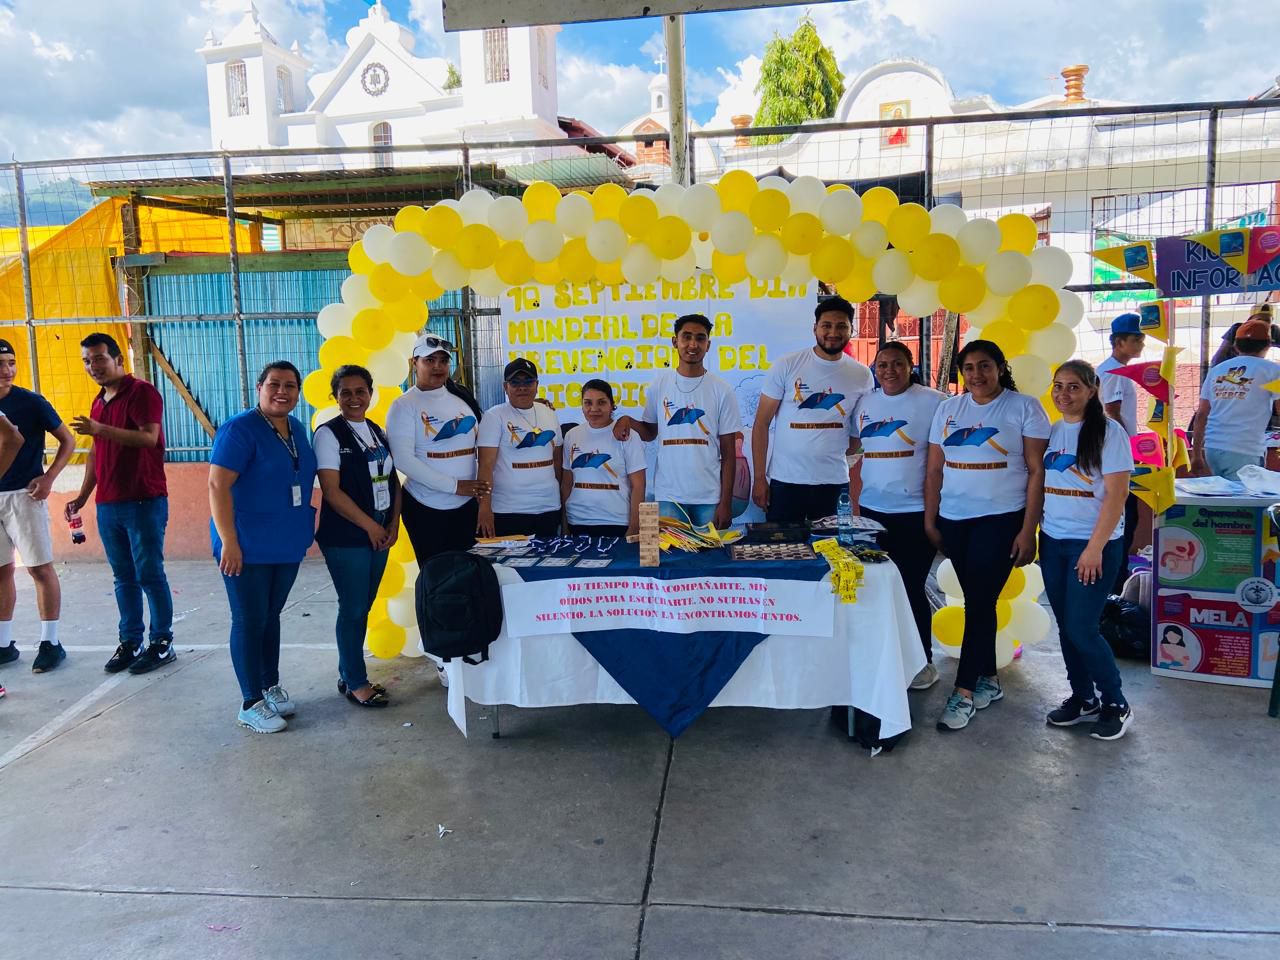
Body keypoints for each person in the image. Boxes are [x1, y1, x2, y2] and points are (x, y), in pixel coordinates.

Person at [925, 339, 1050, 732]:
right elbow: (934, 470)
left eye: (985, 366)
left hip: (1000, 520)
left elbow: (1037, 471)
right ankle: (990, 680)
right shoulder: (949, 409)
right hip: (954, 519)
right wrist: (931, 520)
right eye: (969, 367)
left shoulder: (1024, 407)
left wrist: (1028, 529)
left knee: (978, 603)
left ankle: (963, 692)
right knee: (980, 603)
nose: (977, 374)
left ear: (1000, 368)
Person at [208, 361, 318, 734]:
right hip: (246, 544)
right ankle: (250, 702)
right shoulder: (239, 429)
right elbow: (217, 485)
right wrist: (229, 541)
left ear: (298, 392)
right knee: (248, 619)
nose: (281, 391)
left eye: (290, 385)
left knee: (271, 616)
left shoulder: (296, 429)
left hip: (285, 541)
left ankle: (269, 686)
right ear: (259, 388)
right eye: (274, 384)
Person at [64, 332, 176, 675]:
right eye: (86, 361)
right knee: (123, 576)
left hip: (143, 499)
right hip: (108, 504)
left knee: (149, 573)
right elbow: (95, 452)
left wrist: (101, 429)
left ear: (118, 360)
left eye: (99, 358)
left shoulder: (142, 392)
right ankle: (130, 641)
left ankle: (162, 642)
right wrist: (83, 495)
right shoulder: (99, 401)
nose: (92, 366)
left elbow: (149, 437)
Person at [1040, 360, 1135, 741]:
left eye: (1074, 387)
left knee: (1083, 628)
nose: (1064, 394)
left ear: (1092, 390)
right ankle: (1083, 697)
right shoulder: (1054, 430)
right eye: (1058, 386)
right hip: (1053, 541)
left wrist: (1094, 548)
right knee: (1067, 627)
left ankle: (1115, 702)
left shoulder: (1110, 433)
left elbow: (1117, 495)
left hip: (1092, 544)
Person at [849, 342, 946, 690]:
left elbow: (942, 461)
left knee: (910, 587)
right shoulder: (865, 403)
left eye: (897, 364)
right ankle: (886, 658)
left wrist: (933, 518)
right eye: (882, 365)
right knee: (878, 587)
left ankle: (922, 661)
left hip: (916, 513)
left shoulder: (935, 402)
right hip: (873, 513)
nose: (889, 371)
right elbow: (854, 450)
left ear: (910, 365)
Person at [314, 365, 401, 708]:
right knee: (352, 607)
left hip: (380, 530)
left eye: (360, 391)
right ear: (335, 397)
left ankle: (347, 671)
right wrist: (371, 526)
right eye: (345, 392)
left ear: (370, 393)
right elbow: (332, 492)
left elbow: (393, 481)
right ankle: (356, 682)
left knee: (363, 605)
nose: (354, 398)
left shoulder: (376, 431)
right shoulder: (328, 434)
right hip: (347, 534)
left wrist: (393, 524)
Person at [752, 296, 873, 522]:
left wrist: (830, 453)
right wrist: (759, 478)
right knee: (785, 544)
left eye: (841, 326)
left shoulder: (862, 375)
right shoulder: (787, 365)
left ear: (851, 330)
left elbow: (858, 430)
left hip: (834, 482)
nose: (833, 332)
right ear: (815, 328)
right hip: (786, 482)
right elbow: (761, 423)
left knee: (831, 544)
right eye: (826, 325)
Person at [613, 314, 740, 528]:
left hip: (709, 498)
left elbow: (729, 455)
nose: (693, 344)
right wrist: (627, 420)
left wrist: (726, 502)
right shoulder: (659, 385)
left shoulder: (722, 390)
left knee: (710, 551)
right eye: (686, 337)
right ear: (675, 341)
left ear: (708, 345)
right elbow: (650, 432)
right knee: (668, 550)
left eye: (700, 338)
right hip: (668, 496)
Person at [0, 339, 76, 674]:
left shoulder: (30, 402)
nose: (7, 370)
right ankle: (4, 643)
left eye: (11, 362)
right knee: (2, 571)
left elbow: (68, 440)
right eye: (0, 364)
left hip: (24, 495)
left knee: (39, 568)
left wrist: (49, 478)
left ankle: (50, 642)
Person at [386, 333, 490, 562]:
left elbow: (486, 440)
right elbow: (403, 460)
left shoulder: (462, 396)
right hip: (425, 508)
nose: (437, 367)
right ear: (414, 363)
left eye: (443, 361)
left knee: (472, 572)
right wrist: (455, 486)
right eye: (429, 360)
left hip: (467, 507)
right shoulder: (403, 405)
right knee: (436, 575)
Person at [477, 358, 563, 538]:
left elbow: (557, 459)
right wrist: (484, 507)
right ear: (505, 387)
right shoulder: (494, 416)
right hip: (508, 510)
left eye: (528, 381)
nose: (522, 387)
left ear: (537, 385)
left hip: (549, 507)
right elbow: (485, 466)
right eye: (515, 382)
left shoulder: (549, 413)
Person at [1190, 314, 1280, 480]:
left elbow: (1201, 414)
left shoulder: (1217, 370)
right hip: (1245, 450)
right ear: (1268, 344)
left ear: (1236, 345)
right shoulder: (1272, 371)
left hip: (1213, 449)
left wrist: (1196, 455)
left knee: (1223, 494)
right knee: (1244, 496)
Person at [1095, 313, 1144, 592]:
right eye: (1136, 339)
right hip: (1119, 454)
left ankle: (1115, 580)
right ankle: (1114, 585)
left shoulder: (1116, 370)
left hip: (1119, 451)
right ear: (1118, 342)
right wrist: (1130, 447)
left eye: (1142, 338)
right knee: (1125, 516)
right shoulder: (1114, 372)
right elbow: (1111, 412)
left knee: (1127, 517)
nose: (1141, 344)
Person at [562, 380, 645, 538]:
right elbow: (567, 484)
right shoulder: (572, 435)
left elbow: (639, 486)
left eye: (601, 402)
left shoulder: (628, 436)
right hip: (577, 523)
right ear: (581, 406)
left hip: (617, 523)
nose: (594, 409)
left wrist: (634, 528)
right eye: (588, 403)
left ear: (612, 405)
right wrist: (565, 527)